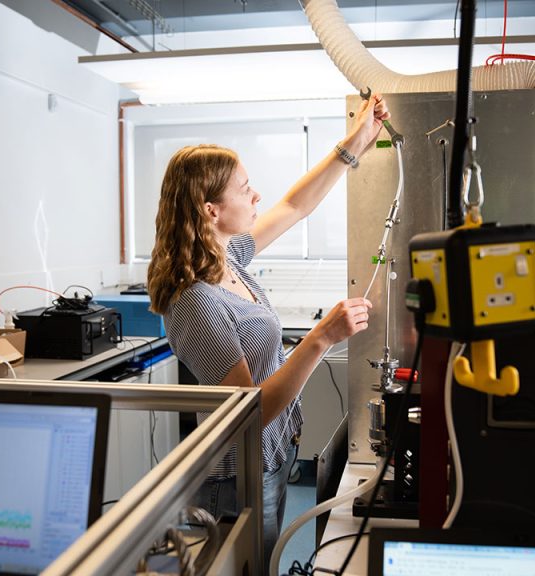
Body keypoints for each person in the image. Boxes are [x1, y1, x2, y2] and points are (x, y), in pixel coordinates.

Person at [147, 94, 390, 567]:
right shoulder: (196, 300)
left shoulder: (226, 259)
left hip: (270, 461)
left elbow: (296, 206)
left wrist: (353, 143)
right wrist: (322, 338)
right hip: (234, 478)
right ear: (211, 210)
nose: (256, 195)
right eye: (244, 188)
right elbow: (248, 415)